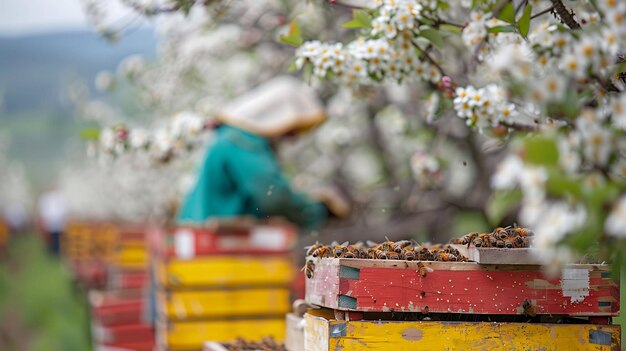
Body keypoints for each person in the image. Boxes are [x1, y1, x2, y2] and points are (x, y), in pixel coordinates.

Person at [178, 76, 349, 229]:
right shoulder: (242, 141)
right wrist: (318, 210)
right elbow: (273, 197)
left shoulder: (230, 137)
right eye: (292, 129)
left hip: (201, 236)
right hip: (215, 247)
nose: (293, 137)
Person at [37, 188, 67, 255]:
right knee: (51, 236)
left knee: (57, 235)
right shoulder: (46, 197)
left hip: (58, 219)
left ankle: (56, 249)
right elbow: (44, 209)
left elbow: (64, 208)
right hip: (50, 219)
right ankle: (52, 249)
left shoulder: (60, 197)